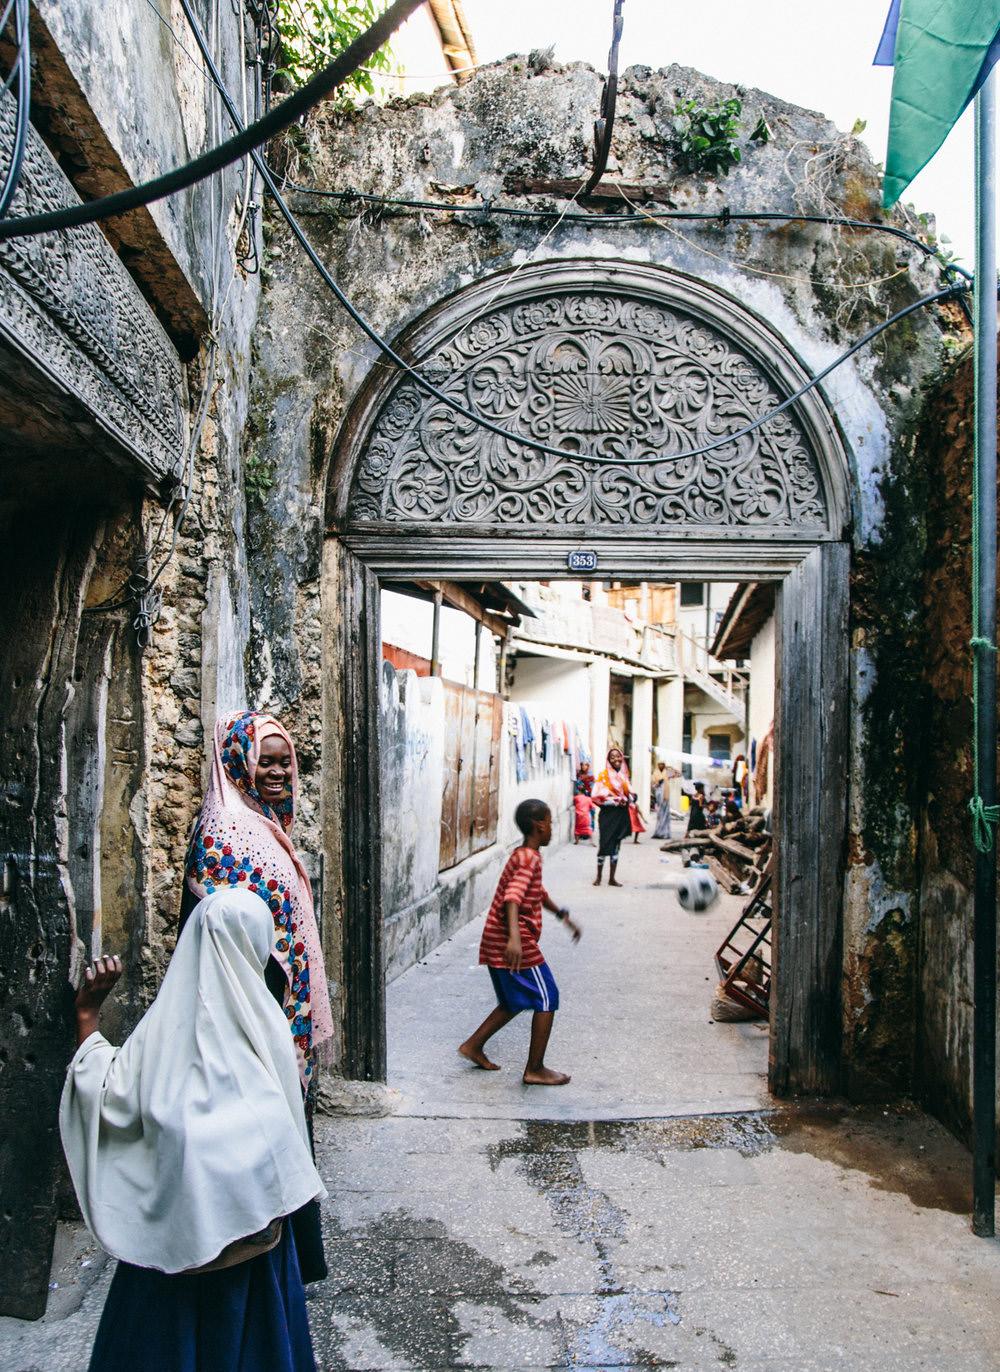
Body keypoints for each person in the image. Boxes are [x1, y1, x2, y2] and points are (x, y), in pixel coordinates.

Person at [61, 890, 325, 1372]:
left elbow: (105, 1091)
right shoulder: (268, 1034)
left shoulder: (155, 1037)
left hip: (165, 1260)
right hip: (250, 1268)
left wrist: (87, 1017)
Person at [181, 709, 334, 1283]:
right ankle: (256, 1266)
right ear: (237, 762)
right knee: (260, 1127)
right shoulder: (223, 830)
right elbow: (219, 931)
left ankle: (289, 1262)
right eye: (264, 762)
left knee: (284, 1122)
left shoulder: (264, 824)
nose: (277, 773)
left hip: (276, 1004)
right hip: (245, 1004)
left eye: (284, 762)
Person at [459, 799, 582, 1085]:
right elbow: (512, 897)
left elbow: (537, 892)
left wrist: (562, 915)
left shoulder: (523, 855)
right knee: (547, 996)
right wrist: (515, 938)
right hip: (513, 940)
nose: (552, 827)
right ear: (539, 826)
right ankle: (535, 1069)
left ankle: (473, 1046)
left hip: (496, 938)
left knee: (512, 1001)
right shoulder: (529, 859)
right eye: (549, 822)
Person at [592, 747, 635, 886]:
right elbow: (595, 796)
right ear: (608, 760)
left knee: (616, 844)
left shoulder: (624, 776)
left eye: (618, 756)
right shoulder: (603, 776)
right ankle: (598, 877)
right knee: (604, 843)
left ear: (622, 758)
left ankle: (612, 878)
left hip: (621, 815)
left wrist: (628, 799)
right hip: (607, 815)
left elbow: (632, 795)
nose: (616, 759)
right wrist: (614, 800)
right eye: (612, 757)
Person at [652, 762, 677, 840]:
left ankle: (665, 833)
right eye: (660, 764)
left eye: (663, 764)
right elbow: (653, 785)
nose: (661, 765)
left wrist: (670, 767)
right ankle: (658, 832)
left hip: (666, 797)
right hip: (659, 797)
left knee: (666, 815)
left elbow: (678, 774)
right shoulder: (655, 773)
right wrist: (658, 783)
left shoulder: (667, 772)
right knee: (660, 815)